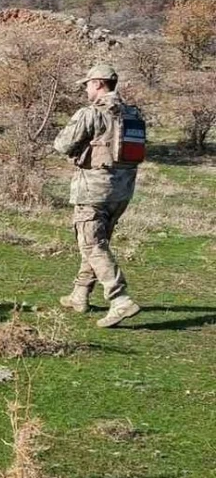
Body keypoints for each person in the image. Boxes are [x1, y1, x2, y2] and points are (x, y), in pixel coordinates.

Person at [53, 64, 145, 328]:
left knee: (92, 245)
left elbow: (62, 145)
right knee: (96, 244)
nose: (85, 89)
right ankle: (79, 294)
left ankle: (120, 299)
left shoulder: (90, 113)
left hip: (94, 189)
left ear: (98, 84)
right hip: (123, 190)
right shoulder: (133, 114)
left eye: (87, 84)